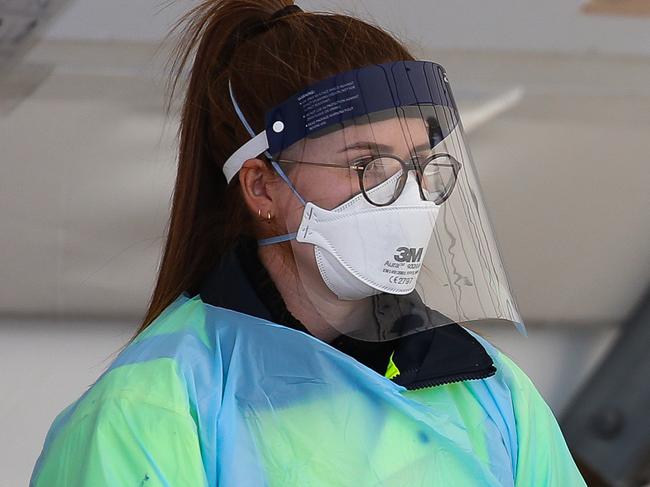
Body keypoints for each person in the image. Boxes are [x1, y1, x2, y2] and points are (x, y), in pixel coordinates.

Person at [30, 1, 587, 485]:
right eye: (366, 164)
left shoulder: (489, 392)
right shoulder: (156, 408)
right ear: (261, 186)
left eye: (420, 165)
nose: (407, 197)